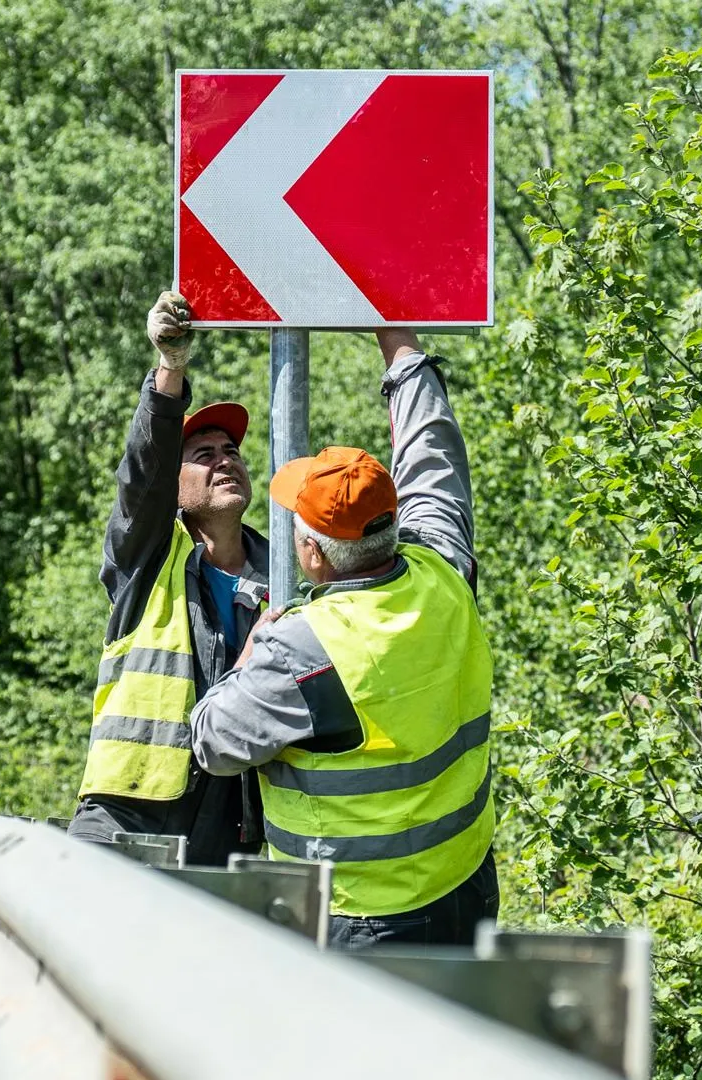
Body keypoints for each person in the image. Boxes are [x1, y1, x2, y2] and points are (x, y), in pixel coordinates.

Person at [189, 328, 495, 947]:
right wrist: (399, 342)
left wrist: (247, 658)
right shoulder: (442, 569)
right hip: (466, 885)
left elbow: (213, 741)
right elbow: (432, 455)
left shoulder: (300, 650)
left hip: (360, 918)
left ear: (312, 555)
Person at [67, 292, 267, 866]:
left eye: (231, 450)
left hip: (230, 825)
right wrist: (170, 370)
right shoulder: (148, 556)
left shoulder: (282, 573)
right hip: (127, 817)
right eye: (202, 454)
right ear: (174, 487)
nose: (225, 459)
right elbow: (143, 473)